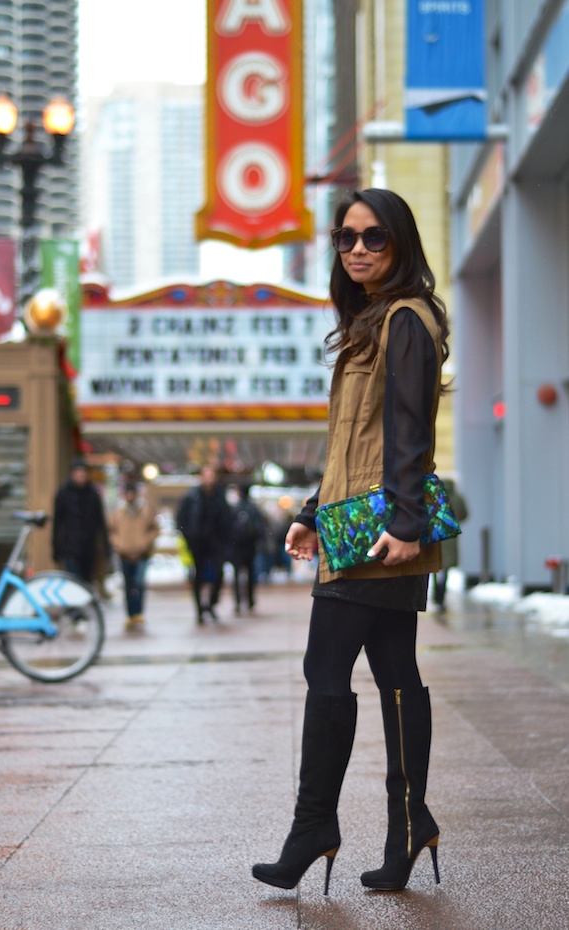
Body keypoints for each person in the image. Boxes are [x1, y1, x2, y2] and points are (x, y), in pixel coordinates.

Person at [252, 188, 450, 895]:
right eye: (346, 239)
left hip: (378, 526)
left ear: (401, 244)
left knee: (324, 669)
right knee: (396, 672)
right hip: (359, 515)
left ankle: (314, 826)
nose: (358, 249)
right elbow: (351, 441)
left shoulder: (404, 319)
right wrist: (310, 507)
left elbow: (407, 431)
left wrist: (403, 523)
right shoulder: (374, 320)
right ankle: (408, 826)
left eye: (375, 238)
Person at [176, 465, 232, 624]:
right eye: (206, 475)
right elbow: (181, 519)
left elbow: (227, 519)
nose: (209, 479)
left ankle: (211, 604)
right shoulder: (192, 496)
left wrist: (225, 540)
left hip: (215, 542)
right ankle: (199, 609)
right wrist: (189, 536)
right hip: (198, 542)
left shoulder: (220, 496)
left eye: (211, 475)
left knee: (218, 574)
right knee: (198, 577)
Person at [108, 480, 158, 632]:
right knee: (129, 584)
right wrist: (118, 544)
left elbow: (154, 529)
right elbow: (111, 531)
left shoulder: (145, 511)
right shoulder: (117, 513)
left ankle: (138, 613)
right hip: (124, 554)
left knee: (139, 583)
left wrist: (146, 542)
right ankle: (130, 614)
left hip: (142, 553)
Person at [52, 458, 110, 584]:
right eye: (78, 472)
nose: (81, 476)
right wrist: (56, 548)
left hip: (88, 547)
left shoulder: (93, 494)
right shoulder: (63, 493)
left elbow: (101, 522)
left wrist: (106, 546)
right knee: (74, 581)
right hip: (70, 547)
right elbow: (57, 523)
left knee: (86, 581)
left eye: (83, 473)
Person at [431, 478, 468, 611]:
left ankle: (436, 593)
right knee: (446, 568)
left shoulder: (435, 495)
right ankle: (441, 595)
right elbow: (465, 515)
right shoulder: (457, 498)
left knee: (435, 565)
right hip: (451, 536)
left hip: (436, 534)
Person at [229, 484, 265, 614]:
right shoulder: (253, 509)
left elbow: (228, 528)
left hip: (237, 546)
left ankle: (238, 601)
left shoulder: (235, 508)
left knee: (237, 574)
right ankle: (250, 600)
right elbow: (261, 528)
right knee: (250, 574)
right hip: (250, 546)